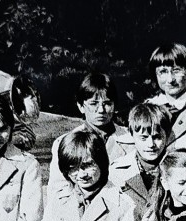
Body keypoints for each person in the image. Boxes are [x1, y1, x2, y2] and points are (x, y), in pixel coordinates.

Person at [45, 72, 135, 201]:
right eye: (93, 104)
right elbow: (59, 190)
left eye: (107, 103)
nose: (101, 110)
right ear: (81, 106)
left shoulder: (132, 140)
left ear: (115, 105)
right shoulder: (64, 143)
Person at [144, 43, 186, 152]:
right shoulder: (149, 108)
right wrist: (175, 146)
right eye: (163, 72)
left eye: (176, 70)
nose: (170, 79)